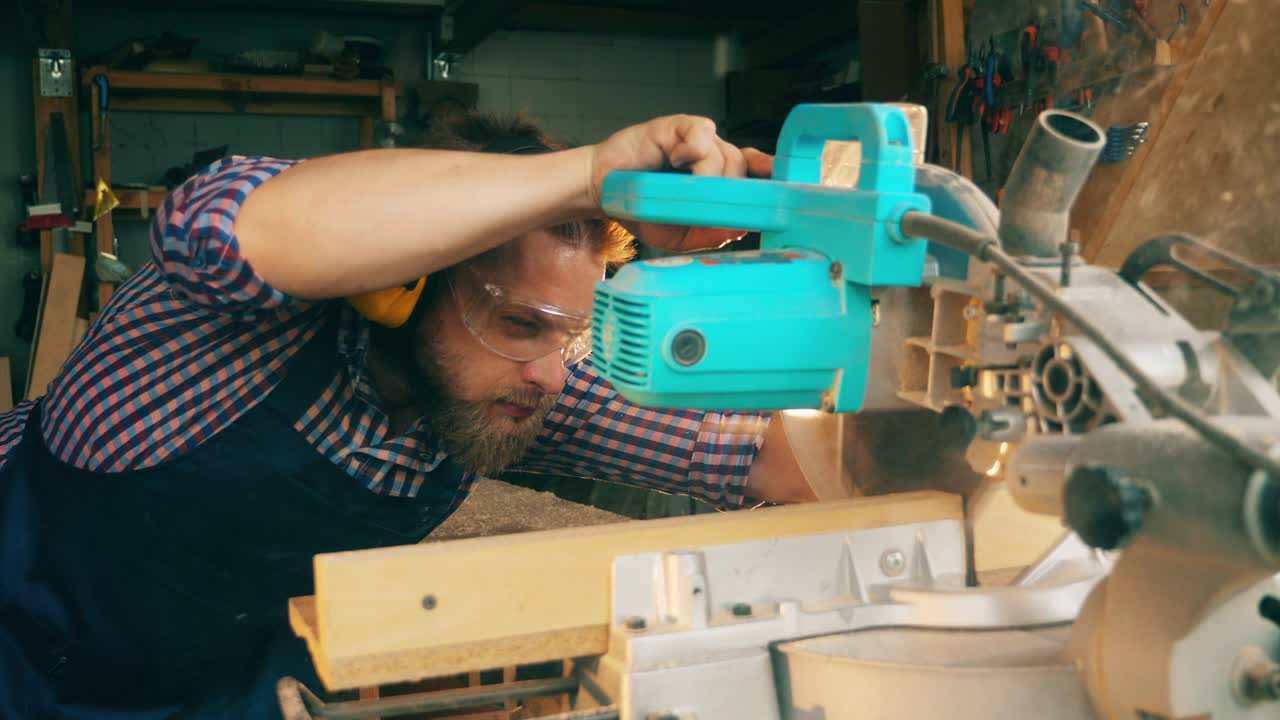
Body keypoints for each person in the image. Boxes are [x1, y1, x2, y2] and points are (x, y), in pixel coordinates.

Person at [0, 111, 815, 719]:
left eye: (571, 334)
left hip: (217, 692)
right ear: (406, 284)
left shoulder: (512, 380)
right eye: (521, 322)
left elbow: (769, 456)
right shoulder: (211, 333)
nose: (554, 375)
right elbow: (233, 222)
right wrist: (593, 172)